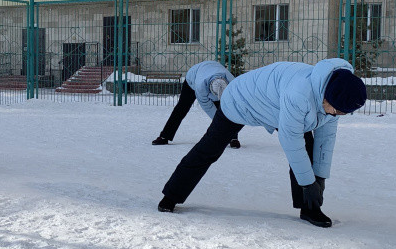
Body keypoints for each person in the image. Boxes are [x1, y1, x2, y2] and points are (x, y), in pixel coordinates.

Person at [157, 58, 367, 227]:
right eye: (338, 111)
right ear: (327, 98)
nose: (338, 115)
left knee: (310, 148)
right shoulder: (299, 95)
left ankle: (309, 208)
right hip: (239, 100)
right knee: (209, 149)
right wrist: (308, 183)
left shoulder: (336, 91)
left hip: (272, 105)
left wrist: (319, 178)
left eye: (343, 112)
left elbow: (326, 140)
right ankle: (171, 196)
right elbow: (290, 140)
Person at [152, 59, 242, 149]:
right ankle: (165, 136)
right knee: (182, 108)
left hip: (212, 69)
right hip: (192, 79)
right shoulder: (200, 87)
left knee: (228, 109)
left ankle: (233, 138)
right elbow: (209, 108)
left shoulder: (231, 81)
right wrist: (221, 121)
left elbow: (234, 102)